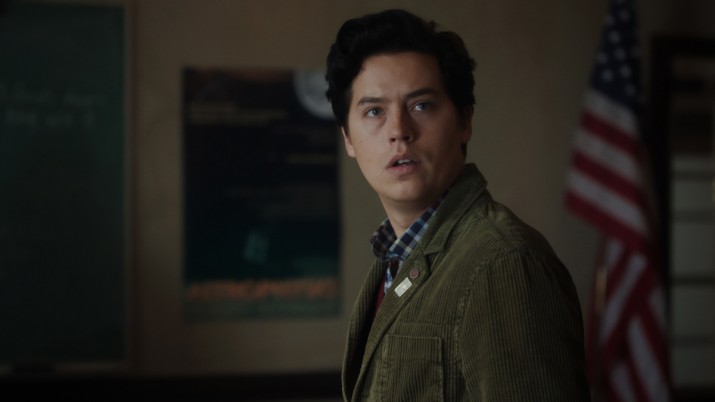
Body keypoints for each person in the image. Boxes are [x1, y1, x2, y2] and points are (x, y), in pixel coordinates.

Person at [325, 9, 590, 402]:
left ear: (464, 121)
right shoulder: (394, 258)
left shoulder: (502, 264)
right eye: (374, 111)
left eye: (421, 105)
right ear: (348, 138)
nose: (399, 131)